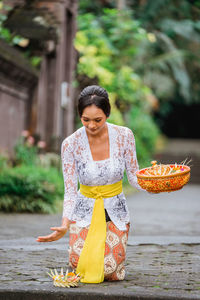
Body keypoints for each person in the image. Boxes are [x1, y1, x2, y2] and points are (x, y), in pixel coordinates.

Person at [37, 85, 144, 283]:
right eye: (85, 120)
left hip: (115, 211)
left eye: (98, 120)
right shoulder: (70, 144)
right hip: (84, 210)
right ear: (79, 115)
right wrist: (64, 224)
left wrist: (157, 184)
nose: (92, 126)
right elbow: (70, 191)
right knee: (80, 267)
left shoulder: (124, 136)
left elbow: (135, 178)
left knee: (109, 270)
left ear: (108, 114)